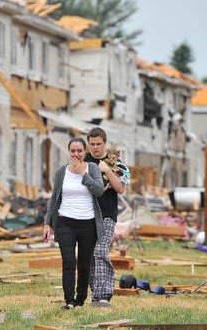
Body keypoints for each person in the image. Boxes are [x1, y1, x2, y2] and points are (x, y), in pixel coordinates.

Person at [43, 137, 104, 309]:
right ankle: (69, 300)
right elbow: (54, 198)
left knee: (84, 263)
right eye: (73, 151)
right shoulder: (61, 172)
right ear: (69, 152)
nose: (76, 154)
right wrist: (48, 223)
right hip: (65, 222)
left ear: (85, 152)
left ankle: (80, 300)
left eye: (79, 151)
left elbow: (99, 191)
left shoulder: (92, 168)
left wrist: (83, 174)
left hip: (88, 223)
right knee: (68, 261)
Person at [85, 127, 131, 308]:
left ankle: (104, 295)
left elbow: (121, 189)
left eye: (99, 144)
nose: (95, 148)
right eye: (92, 144)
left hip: (107, 215)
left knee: (100, 251)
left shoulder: (114, 161)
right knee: (87, 256)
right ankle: (95, 293)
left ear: (105, 143)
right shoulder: (83, 161)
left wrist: (107, 171)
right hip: (85, 215)